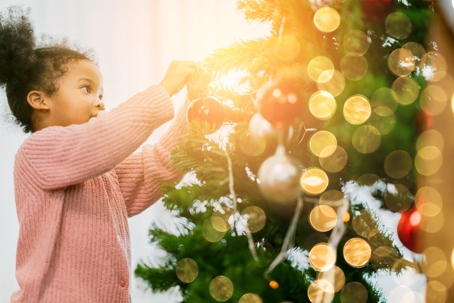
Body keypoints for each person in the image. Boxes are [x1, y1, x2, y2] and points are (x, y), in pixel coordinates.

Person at [0, 7, 200, 303]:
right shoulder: (36, 153)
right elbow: (104, 137)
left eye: (101, 94)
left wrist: (195, 112)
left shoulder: (100, 170)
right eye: (87, 89)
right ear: (39, 100)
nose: (100, 104)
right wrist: (164, 89)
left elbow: (155, 168)